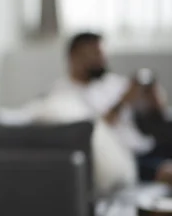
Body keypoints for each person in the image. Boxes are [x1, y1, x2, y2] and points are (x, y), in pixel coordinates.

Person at [53, 32, 170, 181]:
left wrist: (152, 93)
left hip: (145, 146)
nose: (102, 60)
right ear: (74, 56)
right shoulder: (63, 93)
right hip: (120, 158)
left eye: (103, 54)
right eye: (95, 54)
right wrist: (123, 102)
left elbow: (158, 112)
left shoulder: (113, 82)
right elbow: (92, 133)